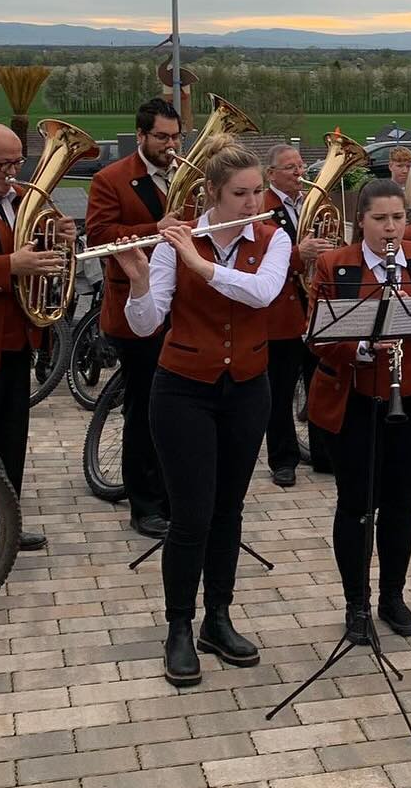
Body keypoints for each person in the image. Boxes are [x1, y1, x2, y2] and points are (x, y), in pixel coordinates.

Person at [116, 138, 292, 687]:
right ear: (212, 194)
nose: (251, 201)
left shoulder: (275, 237)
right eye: (239, 193)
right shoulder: (175, 244)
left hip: (246, 388)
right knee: (190, 514)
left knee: (228, 511)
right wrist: (141, 280)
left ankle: (219, 617)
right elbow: (146, 324)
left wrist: (201, 263)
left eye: (256, 190)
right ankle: (178, 627)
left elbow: (263, 294)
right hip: (183, 389)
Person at [306, 179, 411, 641]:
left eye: (397, 218)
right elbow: (315, 334)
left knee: (399, 504)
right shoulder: (337, 265)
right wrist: (359, 346)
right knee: (356, 504)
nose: (391, 228)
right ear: (362, 222)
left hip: (410, 400)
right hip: (353, 403)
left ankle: (392, 597)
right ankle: (355, 604)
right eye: (380, 219)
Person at [0, 123, 71, 552]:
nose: (14, 172)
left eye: (19, 162)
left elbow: (40, 257)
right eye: (5, 164)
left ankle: (4, 524)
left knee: (10, 439)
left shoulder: (24, 200)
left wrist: (60, 240)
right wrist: (9, 265)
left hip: (18, 340)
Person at [84, 97, 186, 538]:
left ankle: (174, 491)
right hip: (134, 307)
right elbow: (100, 236)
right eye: (161, 137)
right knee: (144, 409)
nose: (170, 144)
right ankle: (144, 504)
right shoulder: (112, 179)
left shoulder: (186, 174)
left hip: (183, 308)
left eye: (175, 136)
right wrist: (155, 229)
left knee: (177, 409)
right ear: (141, 135)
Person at [262, 144, 336, 484]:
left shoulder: (313, 203)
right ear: (271, 174)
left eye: (301, 165)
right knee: (279, 390)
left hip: (315, 308)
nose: (299, 172)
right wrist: (298, 253)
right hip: (281, 312)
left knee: (319, 384)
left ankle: (323, 453)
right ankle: (283, 458)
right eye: (290, 168)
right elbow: (262, 259)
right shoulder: (263, 208)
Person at [386, 145, 411, 212]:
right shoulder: (383, 192)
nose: (405, 171)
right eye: (400, 166)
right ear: (390, 166)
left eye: (408, 166)